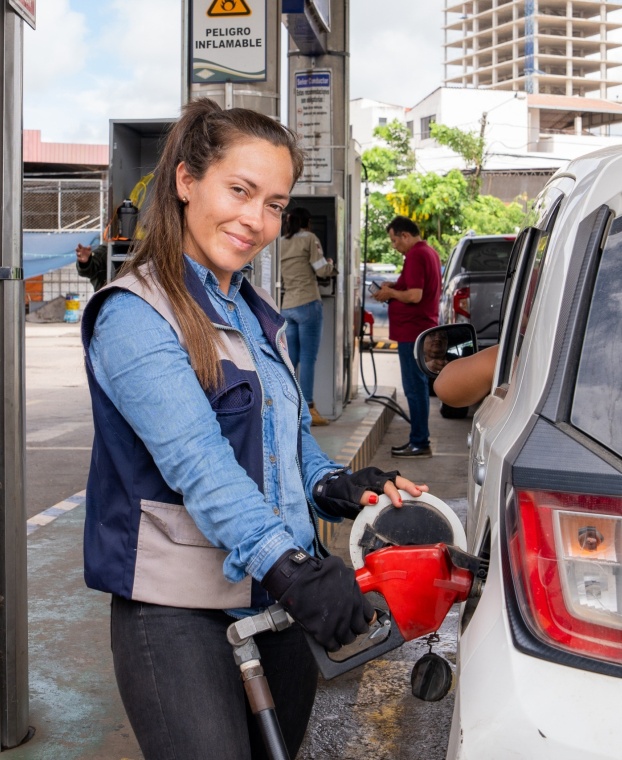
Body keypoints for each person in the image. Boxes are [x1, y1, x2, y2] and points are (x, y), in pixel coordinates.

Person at [79, 98, 427, 760]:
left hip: (273, 600)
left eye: (273, 203)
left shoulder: (250, 311)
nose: (256, 220)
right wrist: (293, 565)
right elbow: (200, 464)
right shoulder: (135, 315)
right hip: (178, 615)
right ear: (186, 182)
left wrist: (334, 485)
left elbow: (283, 439)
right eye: (240, 190)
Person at [372, 216, 442, 458]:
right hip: (419, 330)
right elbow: (412, 287)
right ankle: (419, 439)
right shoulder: (428, 252)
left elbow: (414, 296)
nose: (394, 246)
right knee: (417, 387)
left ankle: (419, 442)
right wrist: (396, 285)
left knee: (414, 388)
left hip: (413, 332)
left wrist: (390, 292)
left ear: (404, 235)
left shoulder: (415, 255)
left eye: (394, 240)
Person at [279, 207, 336, 427]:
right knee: (309, 359)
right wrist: (331, 265)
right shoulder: (310, 239)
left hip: (287, 307)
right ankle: (309, 408)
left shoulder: (281, 242)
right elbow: (322, 271)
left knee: (291, 360)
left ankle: (289, 406)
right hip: (308, 305)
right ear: (308, 222)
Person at [432, 344, 499, 408]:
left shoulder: (499, 356)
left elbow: (443, 384)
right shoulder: (498, 358)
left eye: (443, 336)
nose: (437, 339)